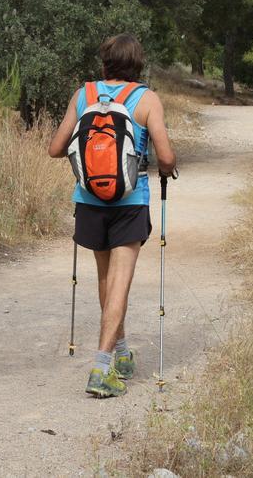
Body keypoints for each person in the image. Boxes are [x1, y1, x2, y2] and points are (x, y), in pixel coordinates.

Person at [47, 34, 176, 398]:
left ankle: (120, 354)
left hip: (89, 200)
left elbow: (56, 149)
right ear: (138, 65)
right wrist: (167, 168)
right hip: (129, 201)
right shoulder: (146, 99)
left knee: (106, 281)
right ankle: (102, 367)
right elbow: (165, 157)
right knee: (120, 283)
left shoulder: (84, 94)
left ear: (104, 63)